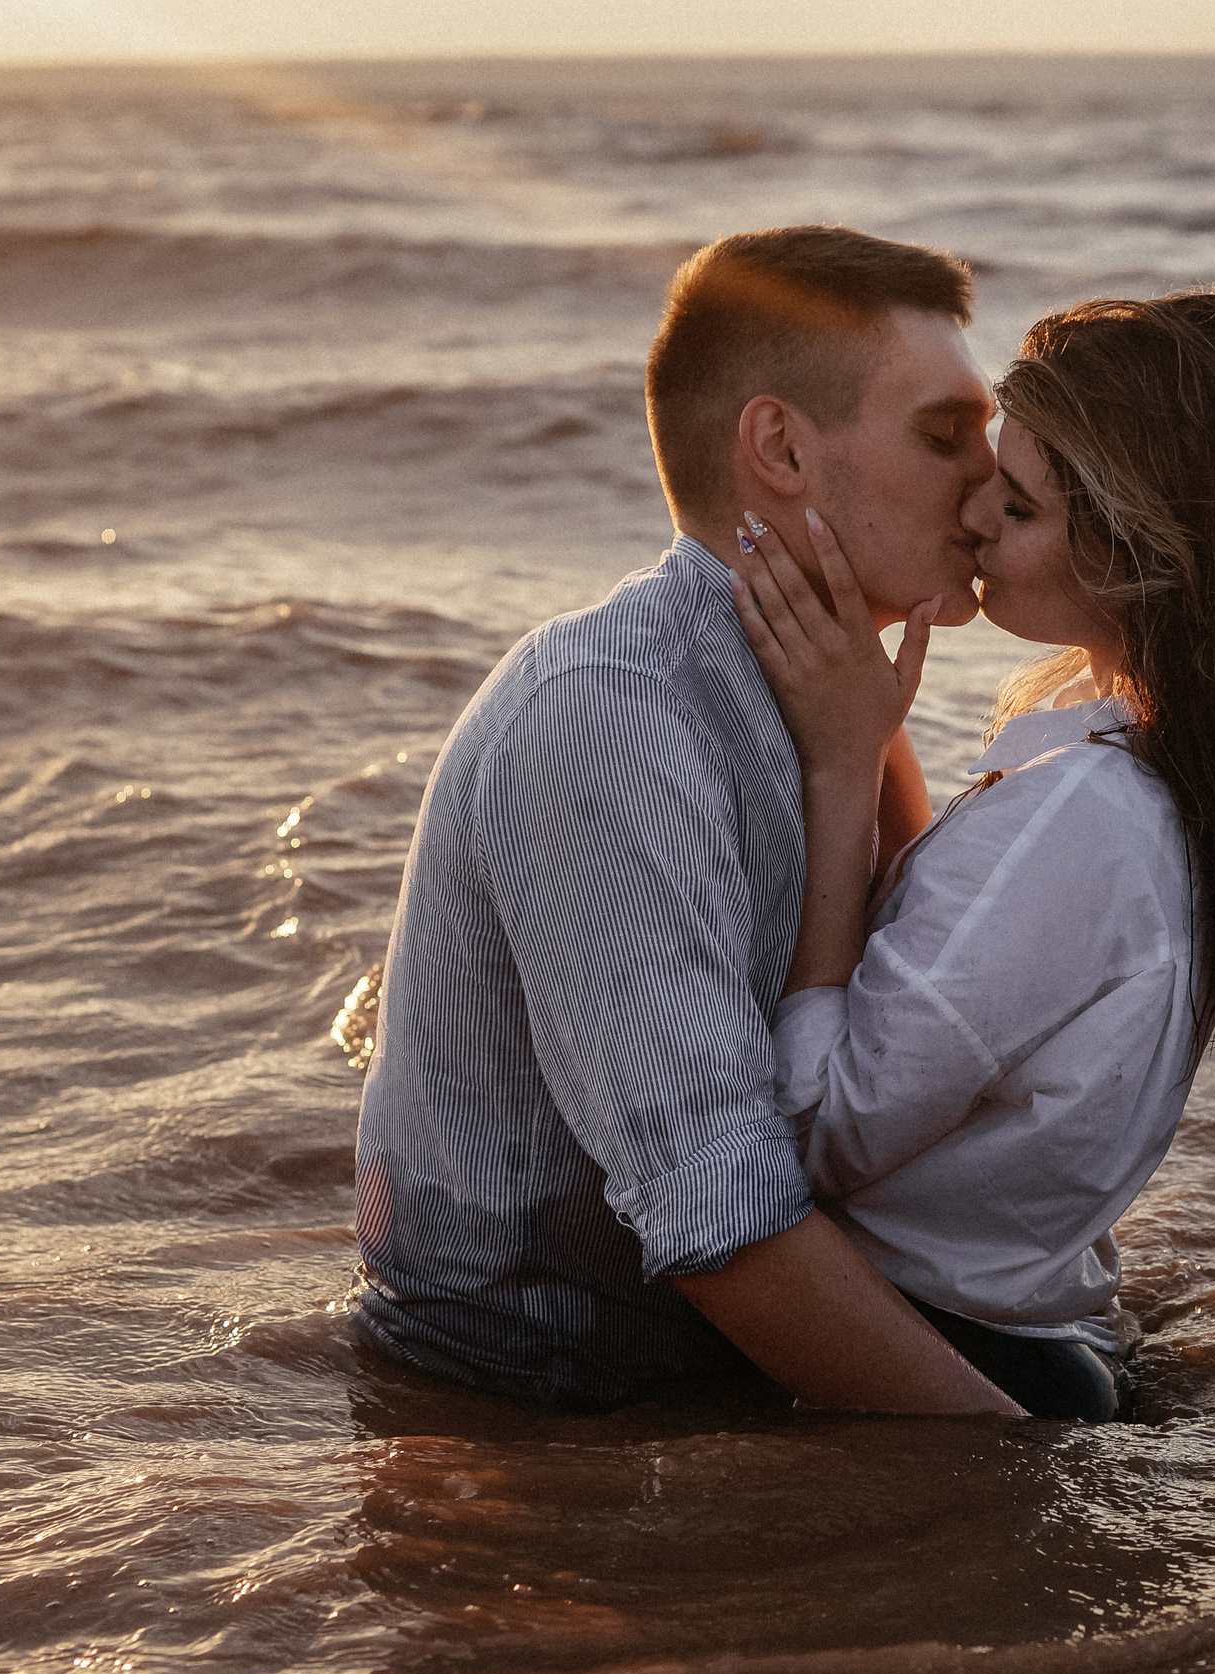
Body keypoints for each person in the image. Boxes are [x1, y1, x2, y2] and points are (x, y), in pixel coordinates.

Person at [351, 225, 1028, 1414]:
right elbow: (723, 1219)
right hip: (538, 1412)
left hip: (702, 1361)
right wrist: (1027, 1468)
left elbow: (874, 1068)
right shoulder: (607, 718)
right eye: (944, 435)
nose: (996, 478)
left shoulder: (833, 700)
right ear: (778, 447)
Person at [732, 289, 1215, 1423]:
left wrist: (839, 766)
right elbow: (974, 997)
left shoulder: (1079, 819)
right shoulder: (1177, 775)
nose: (969, 515)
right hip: (1039, 1330)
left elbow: (819, 1127)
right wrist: (874, 736)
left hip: (940, 1358)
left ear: (1130, 556)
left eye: (1014, 505)